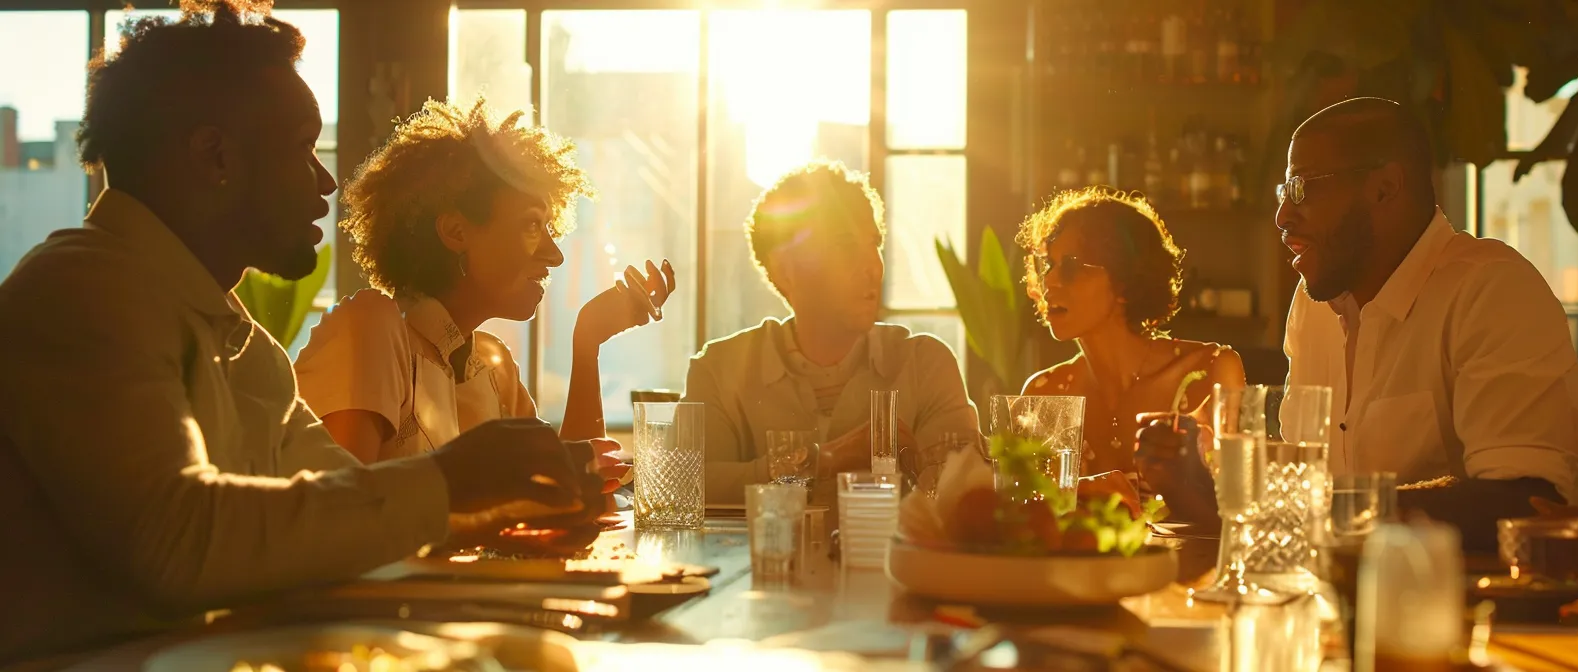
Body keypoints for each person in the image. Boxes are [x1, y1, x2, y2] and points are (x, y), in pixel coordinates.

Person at [0, 3, 610, 665]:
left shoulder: (244, 344)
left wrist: (500, 503)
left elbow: (346, 522)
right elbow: (174, 540)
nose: (325, 183)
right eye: (301, 148)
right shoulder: (80, 293)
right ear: (216, 154)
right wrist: (451, 483)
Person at [1277, 97, 1578, 549]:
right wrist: (1207, 493)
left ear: (1385, 188)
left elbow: (1523, 501)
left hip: (1577, 600)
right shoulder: (1314, 309)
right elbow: (1303, 488)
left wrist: (1328, 512)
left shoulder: (1491, 288)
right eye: (1284, 193)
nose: (1284, 216)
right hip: (1396, 596)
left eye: (1303, 187)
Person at [294, 98, 672, 467]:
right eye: (531, 225)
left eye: (549, 228)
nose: (554, 254)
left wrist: (588, 341)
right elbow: (342, 515)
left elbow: (575, 492)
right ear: (456, 231)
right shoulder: (368, 329)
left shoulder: (494, 367)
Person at [683, 160, 980, 504]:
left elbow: (964, 493)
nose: (873, 265)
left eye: (875, 243)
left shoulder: (925, 364)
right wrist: (823, 459)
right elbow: (687, 487)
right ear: (785, 271)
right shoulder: (719, 369)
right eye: (845, 244)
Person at [1017, 188, 1244, 492]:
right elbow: (1027, 517)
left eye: (1071, 266)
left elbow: (1240, 503)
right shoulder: (1043, 395)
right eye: (1048, 265)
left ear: (1125, 280)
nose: (1049, 281)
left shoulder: (1211, 373)